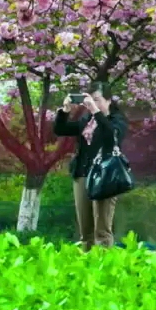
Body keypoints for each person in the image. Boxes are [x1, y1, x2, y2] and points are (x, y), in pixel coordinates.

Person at [54, 89, 127, 251]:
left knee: (102, 231)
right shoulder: (86, 120)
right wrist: (65, 111)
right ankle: (87, 266)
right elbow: (60, 130)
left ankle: (104, 267)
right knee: (85, 231)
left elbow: (111, 136)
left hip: (105, 177)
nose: (93, 103)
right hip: (82, 174)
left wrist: (95, 110)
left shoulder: (116, 121)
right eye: (91, 100)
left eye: (98, 99)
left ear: (108, 101)